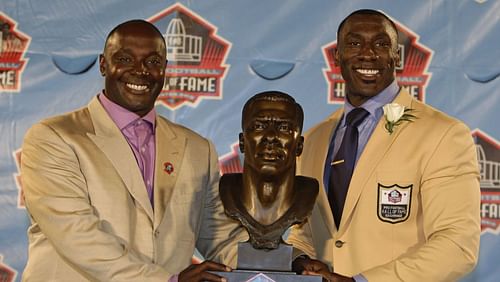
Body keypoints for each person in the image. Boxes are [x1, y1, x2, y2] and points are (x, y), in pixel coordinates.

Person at [21, 19, 243, 282]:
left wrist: (287, 265)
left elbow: (220, 234)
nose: (140, 71)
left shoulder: (197, 149)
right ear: (103, 64)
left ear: (165, 69)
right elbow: (77, 234)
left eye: (152, 62)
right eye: (125, 59)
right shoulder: (54, 137)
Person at [287, 9, 480, 282]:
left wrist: (362, 281)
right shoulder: (313, 140)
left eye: (381, 43)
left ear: (397, 56)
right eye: (354, 43)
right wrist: (301, 260)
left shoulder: (444, 135)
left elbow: (457, 245)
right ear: (337, 56)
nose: (368, 53)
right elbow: (305, 234)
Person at [219, 91, 318, 250]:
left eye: (284, 127)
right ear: (242, 142)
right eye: (259, 126)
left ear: (299, 145)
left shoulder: (308, 194)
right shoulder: (225, 191)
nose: (271, 136)